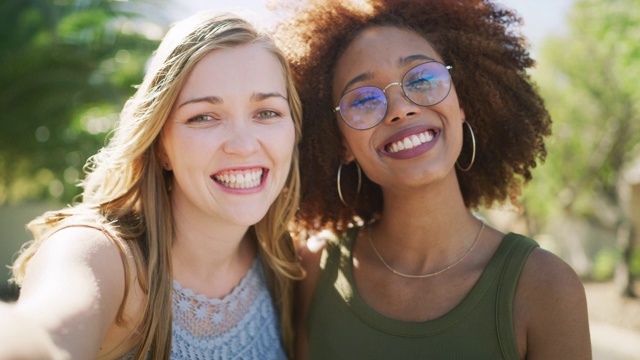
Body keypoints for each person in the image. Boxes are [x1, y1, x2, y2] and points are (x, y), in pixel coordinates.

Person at [273, 0, 592, 359]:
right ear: (341, 143)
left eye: (422, 79)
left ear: (461, 105)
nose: (400, 109)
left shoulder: (545, 287)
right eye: (363, 100)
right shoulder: (314, 270)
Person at [0, 11, 303, 360]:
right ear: (161, 146)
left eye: (267, 112)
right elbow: (46, 330)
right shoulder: (104, 256)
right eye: (203, 117)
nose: (244, 144)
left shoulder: (287, 263)